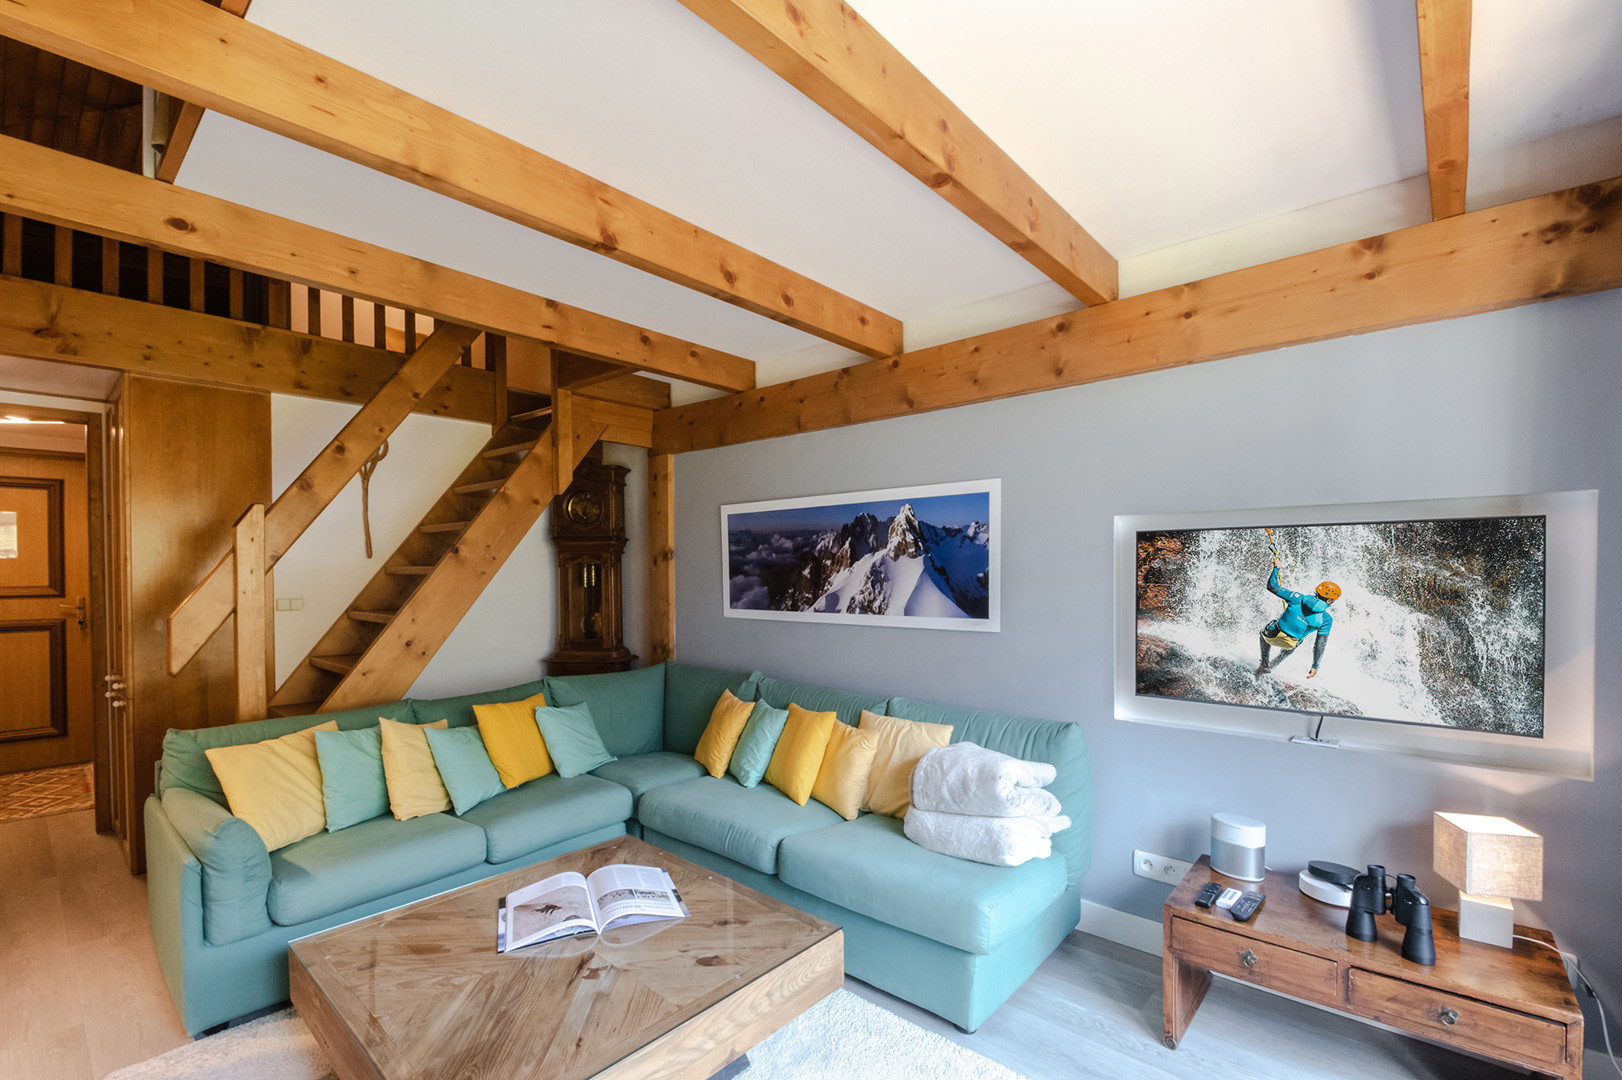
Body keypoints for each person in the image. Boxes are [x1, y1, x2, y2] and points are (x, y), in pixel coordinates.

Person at [1256, 558, 1340, 678]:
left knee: (1263, 632)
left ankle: (1264, 663)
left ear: (1316, 593)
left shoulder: (1297, 598)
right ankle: (1272, 666)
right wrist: (1315, 666)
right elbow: (1320, 644)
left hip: (1273, 634)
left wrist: (1276, 568)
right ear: (1330, 600)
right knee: (1295, 644)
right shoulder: (1326, 619)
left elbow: (1272, 586)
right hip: (1290, 644)